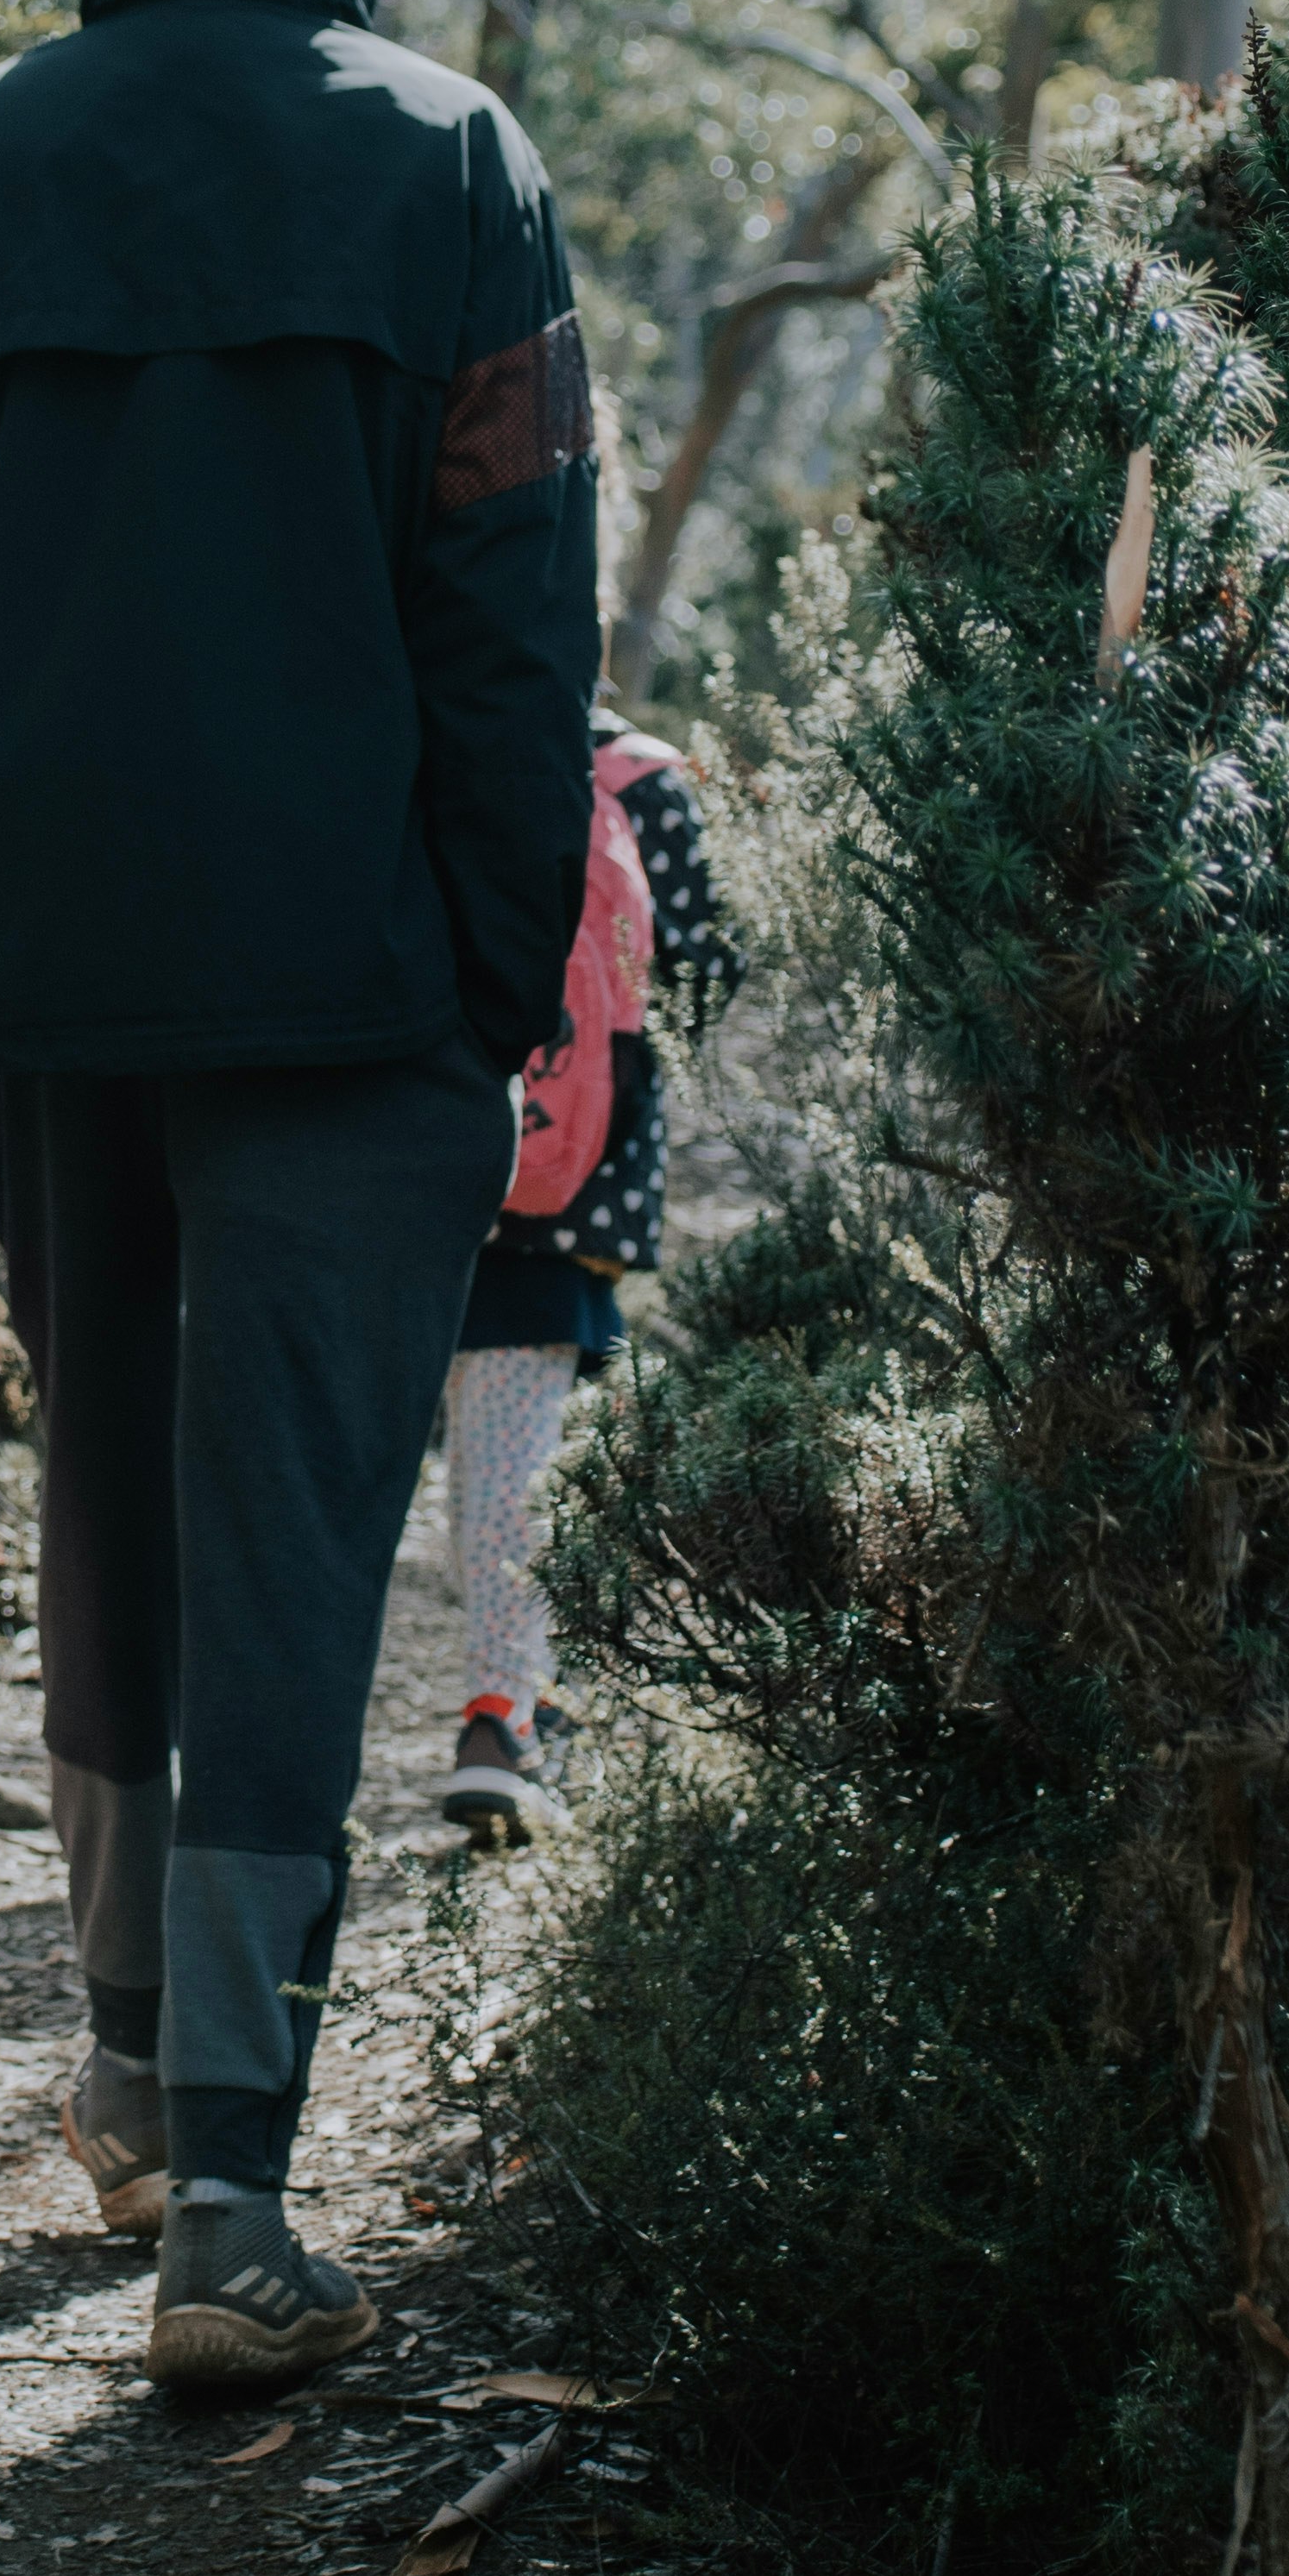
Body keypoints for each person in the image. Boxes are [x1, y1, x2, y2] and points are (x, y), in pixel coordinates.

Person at [0, 0, 596, 2390]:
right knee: (283, 1541)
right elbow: (514, 617)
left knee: (124, 1506)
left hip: (38, 975)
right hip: (355, 995)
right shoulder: (449, 163)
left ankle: (129, 2070)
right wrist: (503, 985)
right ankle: (229, 2200)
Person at [437, 704, 739, 1842]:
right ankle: (503, 1721)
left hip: (404, 1151)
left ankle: (513, 1705)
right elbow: (706, 965)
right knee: (517, 1473)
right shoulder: (640, 777)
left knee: (439, 1475)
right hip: (573, 1182)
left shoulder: (432, 725)